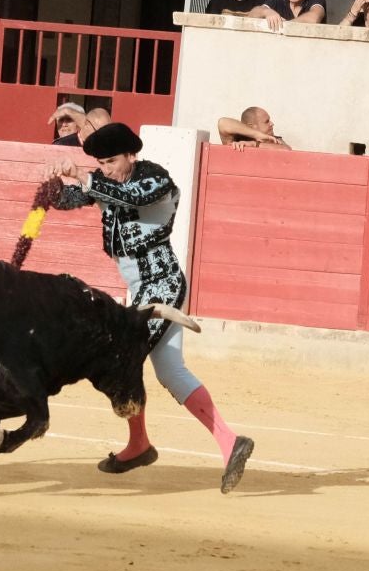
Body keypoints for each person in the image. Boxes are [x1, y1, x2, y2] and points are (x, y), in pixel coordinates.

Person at [48, 122, 256, 492]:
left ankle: (146, 443)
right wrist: (51, 185)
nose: (107, 169)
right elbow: (68, 200)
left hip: (162, 284)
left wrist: (84, 176)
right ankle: (217, 443)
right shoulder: (105, 180)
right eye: (101, 163)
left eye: (112, 161)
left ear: (131, 155)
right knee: (170, 371)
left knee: (125, 357)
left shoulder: (155, 179)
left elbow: (133, 198)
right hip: (139, 290)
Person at [217, 106, 290, 148]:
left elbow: (287, 149)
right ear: (251, 126)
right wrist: (257, 135)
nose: (272, 124)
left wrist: (255, 144)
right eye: (267, 121)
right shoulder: (236, 140)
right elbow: (222, 123)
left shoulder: (272, 139)